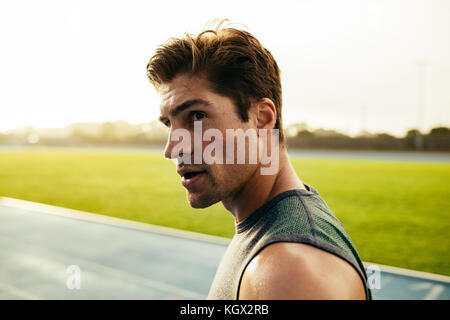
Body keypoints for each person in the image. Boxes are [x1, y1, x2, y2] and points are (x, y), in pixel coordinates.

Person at [146, 20, 371, 300]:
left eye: (197, 116)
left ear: (262, 118)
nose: (173, 149)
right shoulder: (268, 233)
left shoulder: (288, 270)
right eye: (169, 123)